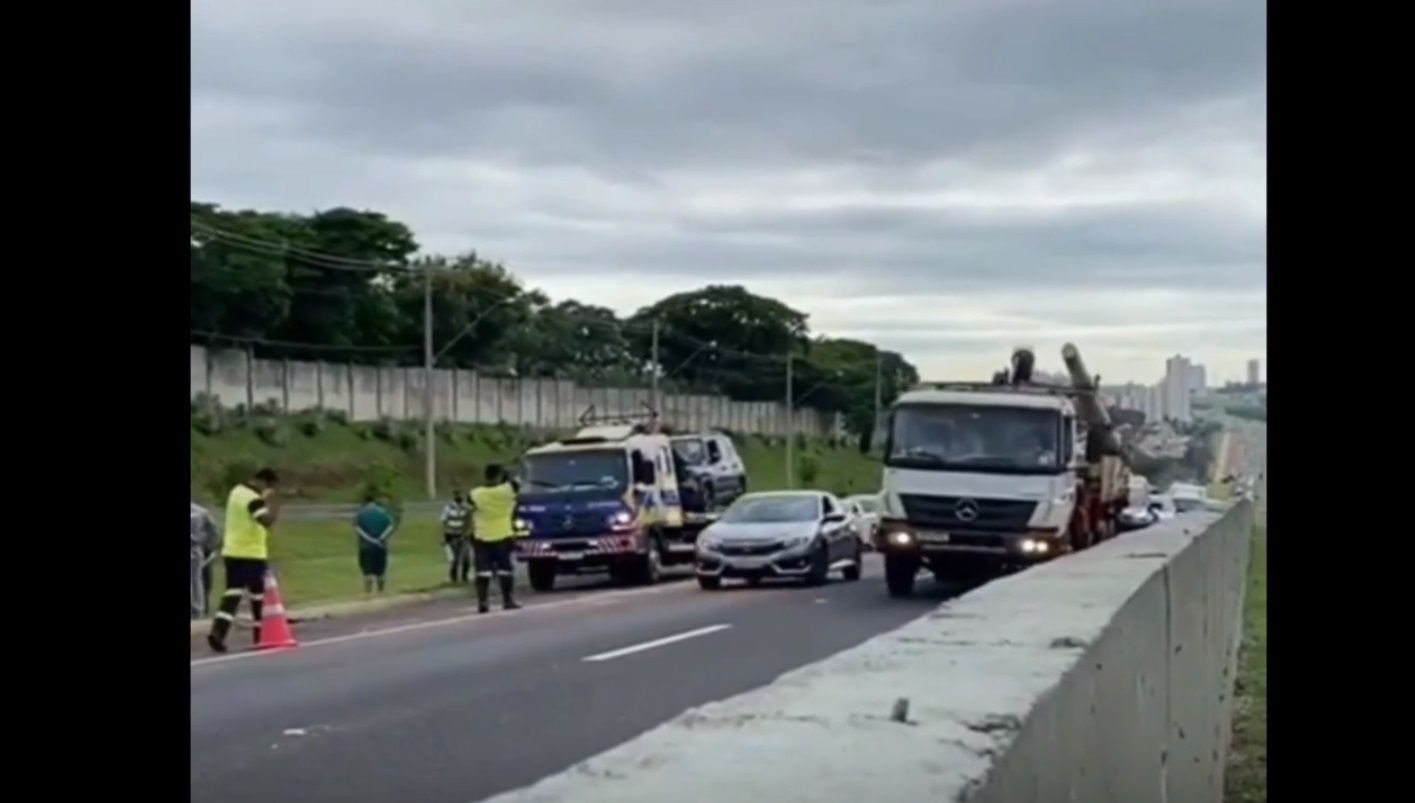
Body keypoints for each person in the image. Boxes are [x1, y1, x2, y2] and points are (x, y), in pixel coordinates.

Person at [207, 468, 280, 653]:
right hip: (251, 553)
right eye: (269, 486)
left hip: (232, 551)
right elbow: (267, 521)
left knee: (232, 594)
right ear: (263, 482)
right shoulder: (253, 499)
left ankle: (218, 631)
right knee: (257, 597)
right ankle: (259, 635)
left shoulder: (236, 492)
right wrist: (272, 502)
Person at [469, 464, 520, 614]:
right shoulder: (507, 490)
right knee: (505, 570)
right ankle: (508, 600)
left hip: (482, 536)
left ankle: (483, 602)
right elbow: (515, 482)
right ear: (500, 476)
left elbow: (469, 505)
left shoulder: (476, 493)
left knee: (482, 572)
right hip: (503, 534)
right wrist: (507, 476)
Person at [355, 495, 397, 593]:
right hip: (381, 546)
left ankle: (368, 593)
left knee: (367, 573)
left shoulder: (361, 513)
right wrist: (381, 538)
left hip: (365, 546)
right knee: (380, 572)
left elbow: (358, 529)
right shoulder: (383, 512)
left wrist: (370, 539)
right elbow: (390, 526)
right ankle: (380, 592)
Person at [190, 502, 222, 620]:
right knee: (195, 579)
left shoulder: (200, 512)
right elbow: (214, 530)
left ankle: (197, 609)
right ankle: (197, 609)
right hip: (195, 549)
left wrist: (209, 547)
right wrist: (209, 546)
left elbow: (214, 531)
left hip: (194, 548)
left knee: (195, 579)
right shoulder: (200, 512)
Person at [440, 491, 472, 584]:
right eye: (457, 494)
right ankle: (454, 577)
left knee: (466, 558)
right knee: (455, 558)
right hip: (451, 535)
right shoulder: (448, 508)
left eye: (460, 494)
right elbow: (444, 522)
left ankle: (464, 576)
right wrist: (443, 536)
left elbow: (469, 522)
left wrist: (466, 533)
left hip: (463, 535)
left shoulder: (467, 508)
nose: (459, 496)